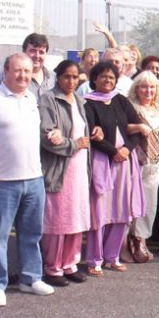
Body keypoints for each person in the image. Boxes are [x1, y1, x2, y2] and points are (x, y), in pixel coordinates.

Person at [0, 53, 55, 306]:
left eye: (26, 71)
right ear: (6, 71)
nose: (22, 76)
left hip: (34, 178)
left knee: (31, 233)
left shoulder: (32, 98)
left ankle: (30, 278)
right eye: (17, 71)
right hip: (3, 180)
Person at [83, 61, 145, 276]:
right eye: (103, 77)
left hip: (125, 163)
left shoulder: (120, 100)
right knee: (99, 212)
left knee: (121, 211)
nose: (107, 81)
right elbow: (92, 134)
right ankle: (94, 259)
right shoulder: (88, 103)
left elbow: (135, 129)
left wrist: (127, 149)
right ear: (94, 79)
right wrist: (113, 152)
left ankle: (113, 257)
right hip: (103, 161)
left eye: (111, 77)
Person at [38, 60, 96, 287]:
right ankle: (52, 267)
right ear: (57, 77)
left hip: (80, 168)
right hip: (59, 169)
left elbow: (82, 134)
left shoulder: (80, 101)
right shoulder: (48, 99)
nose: (71, 81)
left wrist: (91, 135)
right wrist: (74, 144)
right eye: (66, 77)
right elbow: (46, 137)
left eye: (75, 77)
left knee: (75, 217)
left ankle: (70, 264)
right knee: (56, 219)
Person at [127, 71, 159, 262]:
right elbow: (121, 126)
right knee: (132, 201)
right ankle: (128, 242)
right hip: (136, 160)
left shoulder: (158, 108)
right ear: (136, 89)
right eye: (144, 86)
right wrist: (138, 127)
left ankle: (141, 240)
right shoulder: (131, 107)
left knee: (150, 203)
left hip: (155, 161)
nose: (148, 90)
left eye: (152, 87)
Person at [0, 33, 54, 98]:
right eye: (33, 51)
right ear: (24, 52)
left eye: (41, 52)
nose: (37, 56)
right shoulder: (6, 76)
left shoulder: (54, 78)